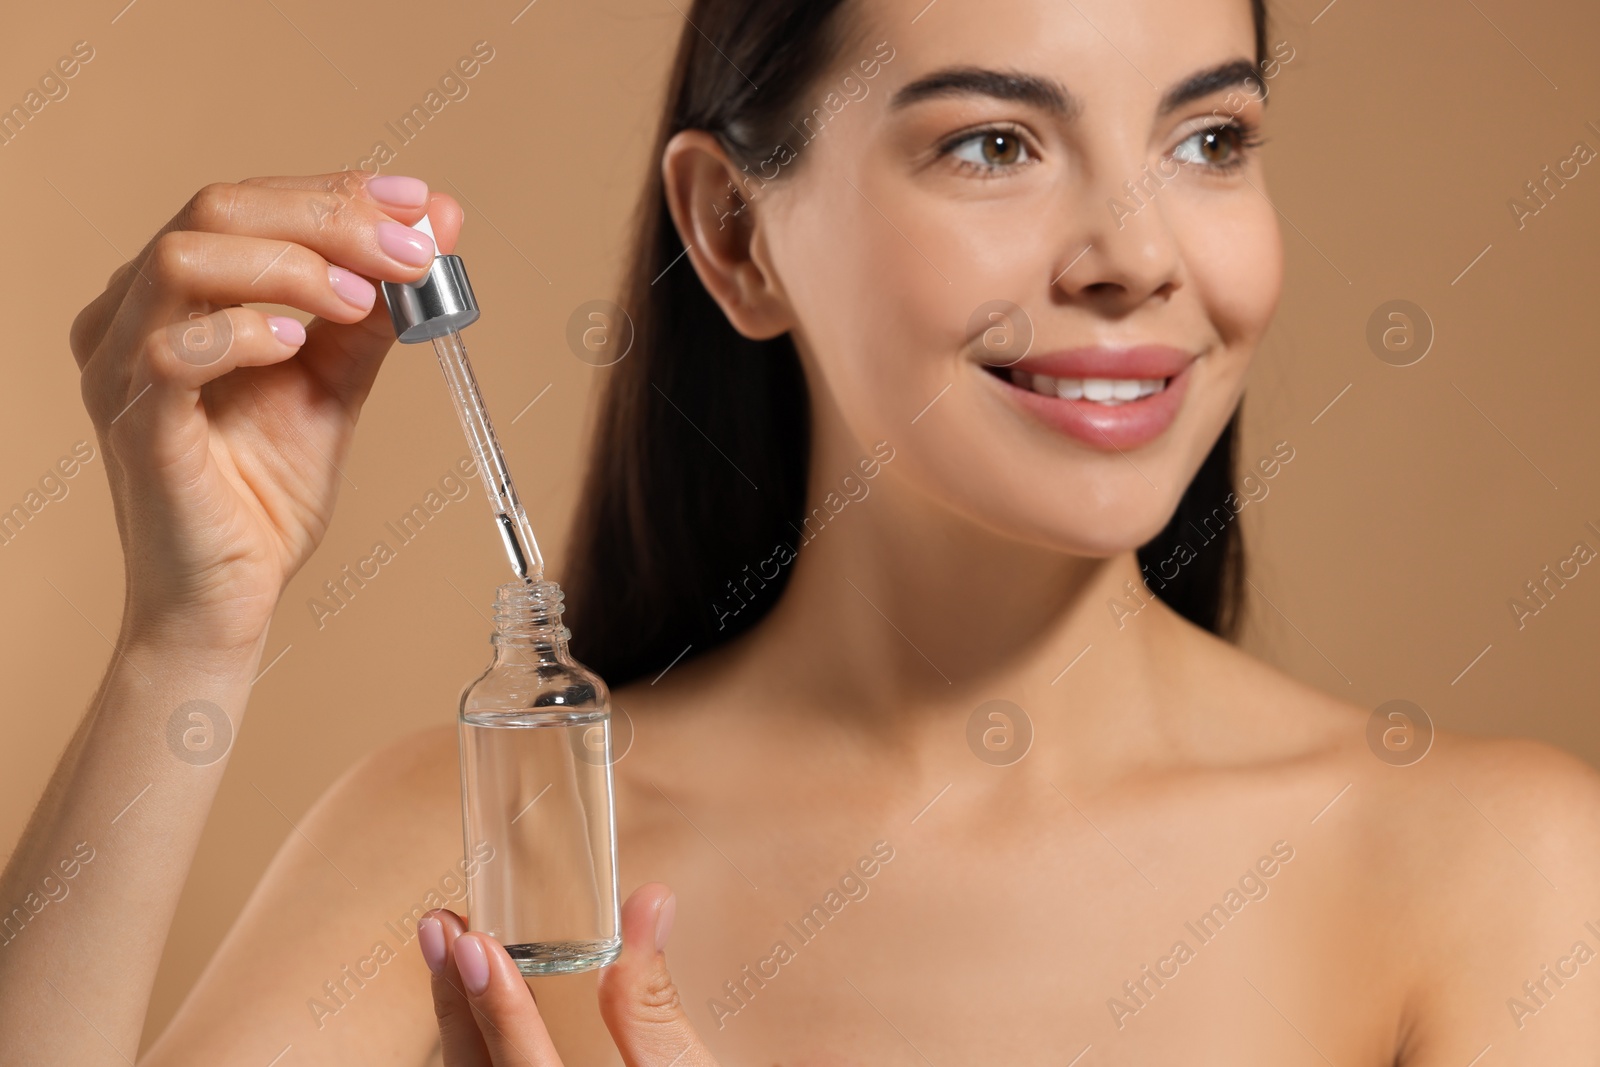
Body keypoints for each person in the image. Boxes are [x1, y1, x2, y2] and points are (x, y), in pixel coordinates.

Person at [6, 0, 1600, 1062]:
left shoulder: (1490, 870)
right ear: (734, 235)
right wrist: (182, 639)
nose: (1137, 252)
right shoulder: (479, 855)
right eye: (994, 142)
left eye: (1211, 140)